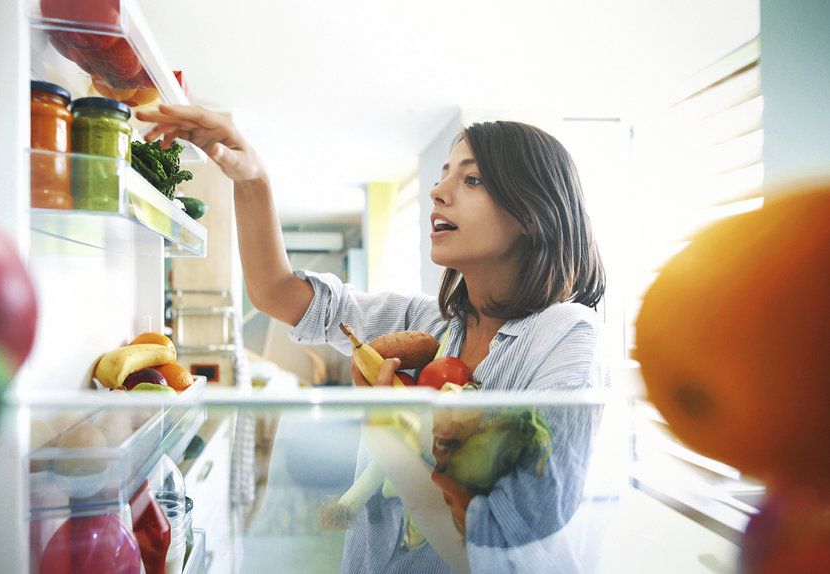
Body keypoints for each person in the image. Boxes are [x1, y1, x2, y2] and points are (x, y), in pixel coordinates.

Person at [138, 105, 610, 573]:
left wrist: (388, 431)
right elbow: (276, 292)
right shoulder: (428, 322)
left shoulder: (567, 335)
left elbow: (502, 540)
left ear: (532, 212)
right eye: (444, 174)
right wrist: (251, 177)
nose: (437, 190)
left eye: (471, 179)